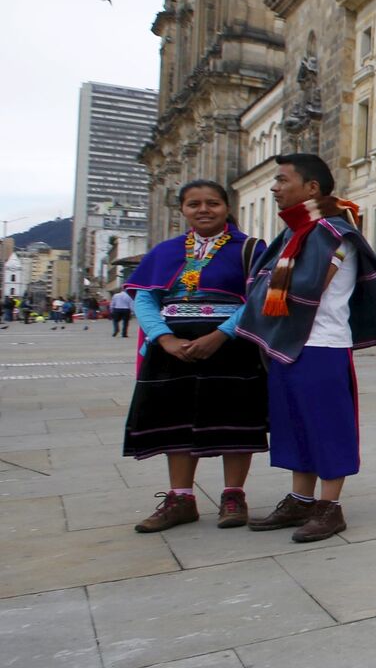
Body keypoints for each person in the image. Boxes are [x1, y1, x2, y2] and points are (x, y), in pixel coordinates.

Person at [235, 153, 376, 543]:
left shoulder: (333, 232)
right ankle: (300, 499)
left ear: (311, 188)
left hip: (322, 346)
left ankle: (330, 507)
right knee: (293, 426)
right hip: (289, 344)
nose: (275, 188)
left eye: (282, 180)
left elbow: (306, 286)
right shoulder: (297, 232)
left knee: (327, 427)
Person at [120, 180, 271, 532]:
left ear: (226, 206)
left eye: (212, 203)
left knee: (234, 419)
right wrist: (164, 338)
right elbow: (144, 297)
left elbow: (259, 297)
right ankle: (181, 498)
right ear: (183, 209)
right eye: (194, 204)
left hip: (231, 347)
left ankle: (234, 496)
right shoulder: (164, 251)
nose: (203, 209)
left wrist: (221, 334)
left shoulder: (250, 248)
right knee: (177, 419)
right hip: (173, 348)